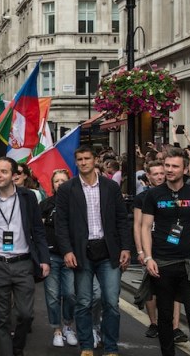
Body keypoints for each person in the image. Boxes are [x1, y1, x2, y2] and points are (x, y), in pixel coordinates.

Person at [55, 146, 131, 356]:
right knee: (83, 302)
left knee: (111, 302)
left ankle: (111, 346)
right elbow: (61, 223)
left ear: (95, 160)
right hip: (82, 252)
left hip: (108, 251)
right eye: (79, 159)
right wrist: (67, 251)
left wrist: (126, 247)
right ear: (75, 162)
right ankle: (87, 346)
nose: (83, 162)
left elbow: (121, 219)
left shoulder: (110, 187)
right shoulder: (67, 189)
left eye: (87, 158)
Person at [0, 157, 50, 356]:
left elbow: (38, 230)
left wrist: (44, 260)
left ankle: (17, 347)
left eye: (4, 172)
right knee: (1, 318)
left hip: (23, 263)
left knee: (26, 314)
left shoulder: (27, 197)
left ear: (14, 175)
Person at [141, 147, 190, 356]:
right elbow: (145, 227)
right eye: (167, 165)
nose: (169, 170)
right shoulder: (153, 194)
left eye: (174, 166)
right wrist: (148, 257)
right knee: (165, 317)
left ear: (185, 170)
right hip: (163, 263)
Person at [39, 169, 78, 347]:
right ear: (52, 184)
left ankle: (68, 326)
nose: (60, 184)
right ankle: (57, 329)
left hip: (70, 257)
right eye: (57, 181)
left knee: (70, 294)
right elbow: (38, 231)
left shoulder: (77, 204)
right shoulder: (45, 204)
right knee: (53, 295)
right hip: (51, 256)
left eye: (63, 180)